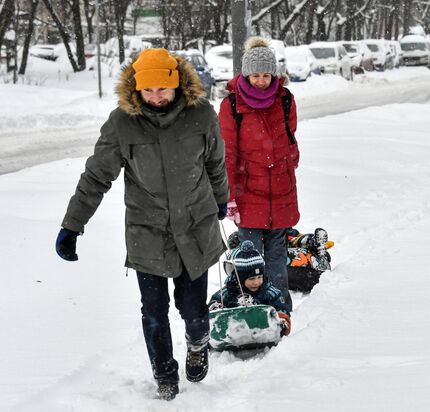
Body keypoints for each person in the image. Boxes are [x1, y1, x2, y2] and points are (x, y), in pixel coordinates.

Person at [54, 48, 229, 401]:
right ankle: (165, 374)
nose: (156, 97)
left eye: (162, 90)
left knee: (194, 312)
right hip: (147, 230)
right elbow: (96, 176)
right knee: (153, 310)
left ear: (176, 84)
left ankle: (198, 344)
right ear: (137, 88)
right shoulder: (122, 123)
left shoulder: (201, 116)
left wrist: (221, 198)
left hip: (195, 226)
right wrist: (73, 224)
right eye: (148, 91)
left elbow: (215, 162)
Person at [219, 36, 300, 311]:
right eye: (255, 75)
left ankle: (280, 310)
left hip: (281, 191)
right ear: (245, 73)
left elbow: (290, 140)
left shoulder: (285, 99)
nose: (262, 81)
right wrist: (229, 196)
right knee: (249, 259)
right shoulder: (231, 106)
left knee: (277, 259)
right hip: (247, 193)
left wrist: (288, 166)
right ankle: (245, 310)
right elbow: (227, 154)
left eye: (267, 75)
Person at [209, 240, 291, 335]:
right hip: (233, 334)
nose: (256, 282)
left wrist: (281, 320)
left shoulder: (270, 292)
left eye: (260, 277)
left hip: (264, 333)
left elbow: (283, 312)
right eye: (251, 278)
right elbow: (213, 304)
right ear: (240, 278)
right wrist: (216, 308)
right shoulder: (229, 292)